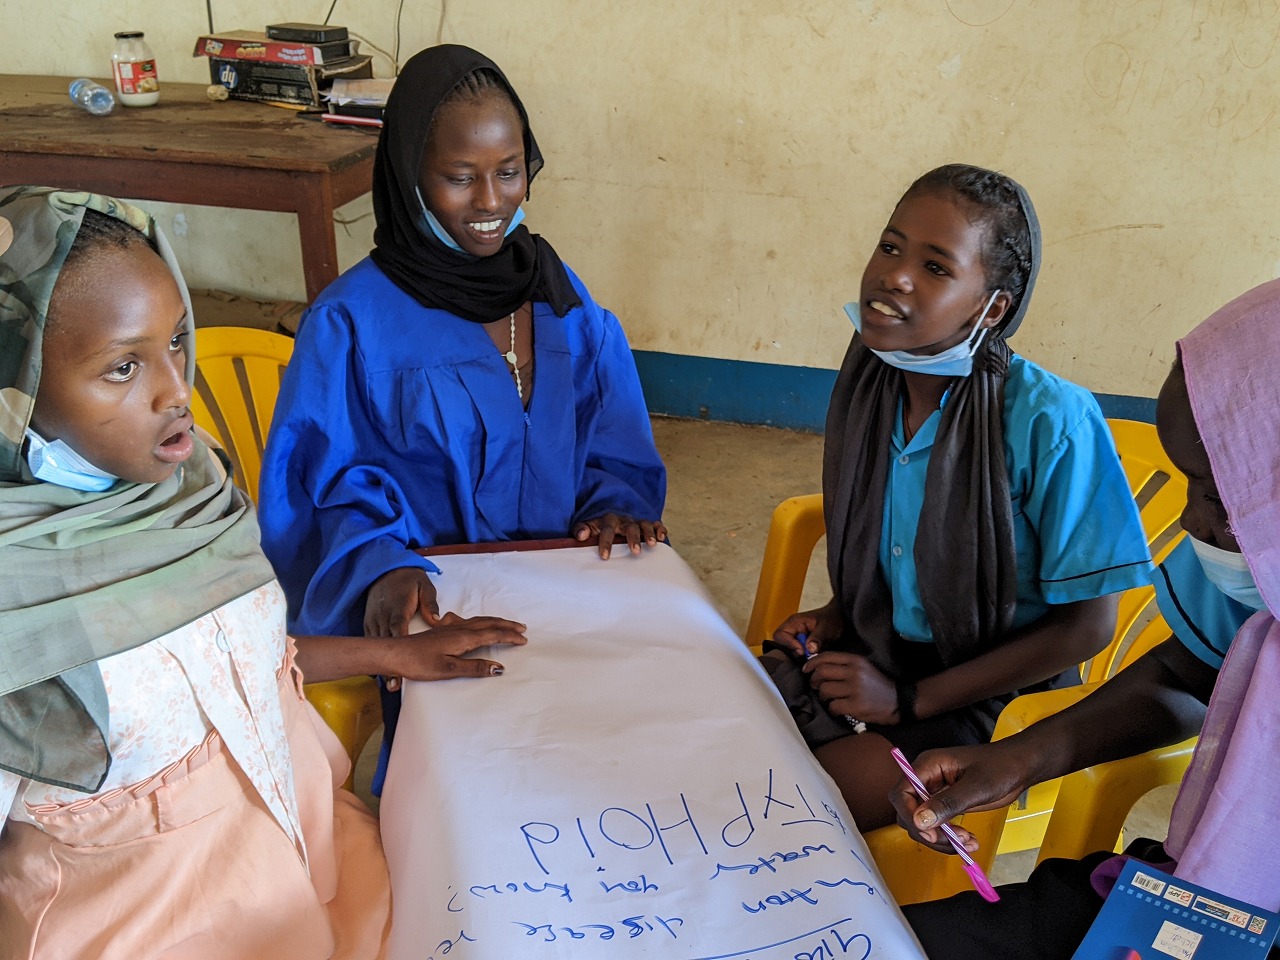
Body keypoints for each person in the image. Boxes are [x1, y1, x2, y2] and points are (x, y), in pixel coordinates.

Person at [0, 186, 527, 959]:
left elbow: (227, 659)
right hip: (142, 928)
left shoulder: (192, 489)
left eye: (177, 341)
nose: (176, 390)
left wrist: (392, 654)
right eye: (123, 367)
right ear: (15, 382)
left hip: (305, 860)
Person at [258, 44, 667, 791]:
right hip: (437, 607)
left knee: (622, 764)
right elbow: (319, 490)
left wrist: (613, 505)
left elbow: (608, 433)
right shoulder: (351, 323)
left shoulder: (556, 292)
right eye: (459, 176)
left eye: (508, 171)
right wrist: (380, 565)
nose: (490, 202)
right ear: (410, 174)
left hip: (569, 593)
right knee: (477, 793)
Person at [893, 278, 1280, 959]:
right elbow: (1186, 675)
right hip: (1208, 901)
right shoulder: (1258, 558)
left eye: (1221, 498)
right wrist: (1019, 758)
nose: (1192, 521)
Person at [764, 164, 1151, 830]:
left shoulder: (1049, 420)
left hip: (995, 688)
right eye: (890, 247)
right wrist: (838, 613)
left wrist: (908, 700)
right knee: (729, 722)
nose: (895, 276)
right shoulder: (871, 385)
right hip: (882, 651)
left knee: (798, 807)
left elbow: (1087, 627)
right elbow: (901, 542)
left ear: (991, 308)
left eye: (936, 267)